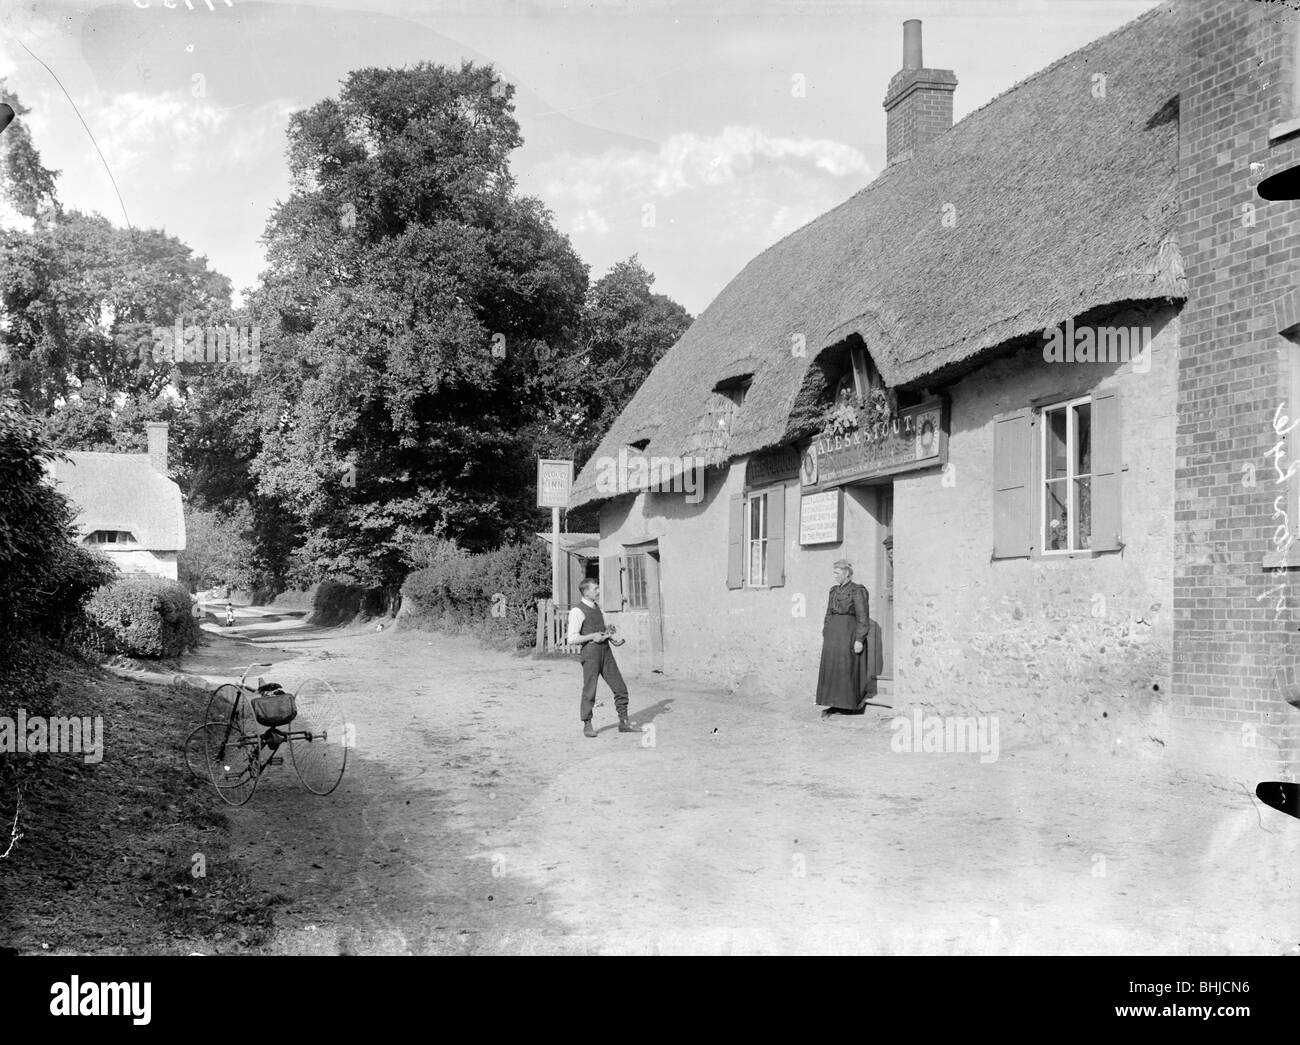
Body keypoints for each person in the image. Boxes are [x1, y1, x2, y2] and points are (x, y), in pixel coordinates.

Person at [567, 579, 637, 738]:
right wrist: (592, 636)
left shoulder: (598, 608)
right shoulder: (577, 611)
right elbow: (572, 638)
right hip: (590, 654)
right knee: (590, 690)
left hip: (606, 652)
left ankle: (624, 722)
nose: (598, 591)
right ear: (586, 592)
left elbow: (601, 631)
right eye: (595, 589)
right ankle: (587, 724)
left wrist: (608, 633)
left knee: (620, 687)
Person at [815, 559, 871, 717]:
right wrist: (826, 630)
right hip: (833, 635)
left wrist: (859, 639)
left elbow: (863, 617)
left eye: (837, 573)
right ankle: (833, 703)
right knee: (833, 669)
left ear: (847, 573)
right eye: (834, 573)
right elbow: (828, 613)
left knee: (847, 668)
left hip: (848, 633)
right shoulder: (833, 591)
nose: (835, 576)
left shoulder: (857, 591)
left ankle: (848, 705)